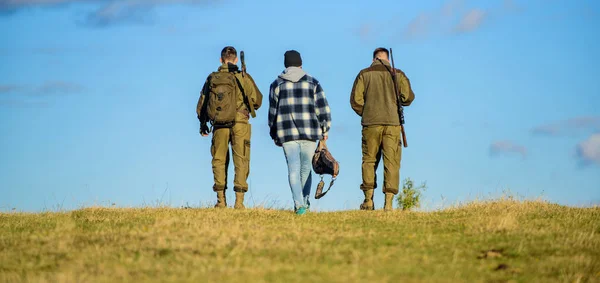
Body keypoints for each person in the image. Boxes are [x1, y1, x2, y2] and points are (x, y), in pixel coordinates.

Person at [196, 46, 263, 209]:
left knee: (219, 160)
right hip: (240, 123)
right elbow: (258, 101)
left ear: (221, 60)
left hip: (219, 124)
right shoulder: (243, 76)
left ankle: (221, 201)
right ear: (236, 60)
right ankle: (239, 202)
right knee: (241, 160)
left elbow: (202, 105)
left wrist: (203, 123)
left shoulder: (212, 78)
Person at [350, 47, 415, 211]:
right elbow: (408, 98)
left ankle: (368, 201)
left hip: (370, 125)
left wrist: (367, 113)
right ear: (386, 58)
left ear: (374, 59)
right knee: (391, 162)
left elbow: (355, 101)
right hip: (393, 124)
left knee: (369, 161)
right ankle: (388, 204)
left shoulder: (364, 74)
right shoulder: (398, 74)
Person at [268, 50, 331, 215]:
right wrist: (325, 129)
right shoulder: (313, 83)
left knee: (293, 170)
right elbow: (323, 108)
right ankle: (306, 202)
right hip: (309, 133)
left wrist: (274, 133)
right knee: (306, 169)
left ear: (285, 65)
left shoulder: (276, 84)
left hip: (287, 133)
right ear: (301, 64)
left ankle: (299, 205)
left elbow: (272, 113)